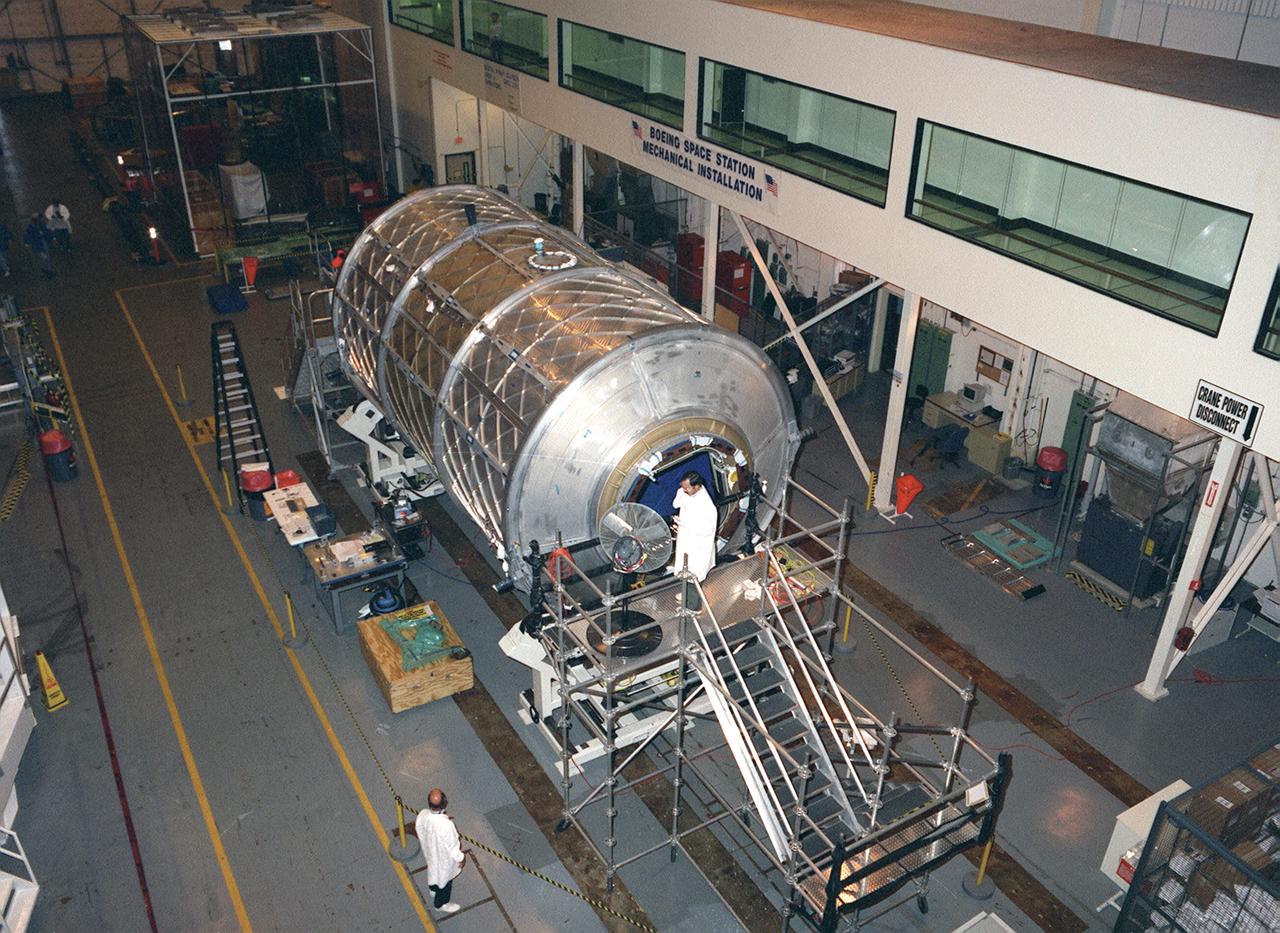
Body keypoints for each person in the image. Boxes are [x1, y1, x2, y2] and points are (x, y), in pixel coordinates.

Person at [415, 788, 464, 915]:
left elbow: (423, 829)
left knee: (433, 872)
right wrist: (461, 858)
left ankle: (433, 889)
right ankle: (440, 904)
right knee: (444, 882)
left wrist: (443, 817)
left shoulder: (423, 815)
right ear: (444, 803)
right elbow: (453, 847)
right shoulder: (447, 825)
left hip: (431, 855)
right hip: (444, 862)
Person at [671, 470, 718, 584]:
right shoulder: (684, 491)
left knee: (696, 570)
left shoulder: (706, 505)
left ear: (696, 487)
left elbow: (707, 530)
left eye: (687, 488)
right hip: (686, 536)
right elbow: (675, 504)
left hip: (699, 543)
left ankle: (696, 587)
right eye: (682, 487)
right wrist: (681, 494)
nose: (684, 490)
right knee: (683, 562)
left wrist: (685, 524)